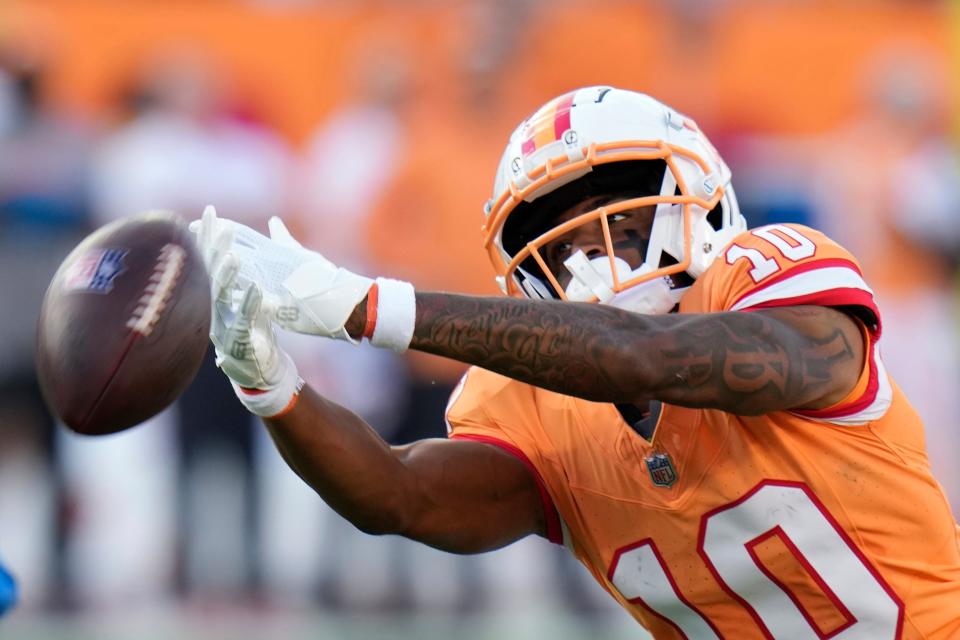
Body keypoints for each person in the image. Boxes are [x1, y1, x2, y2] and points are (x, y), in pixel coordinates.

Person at [193, 87, 960, 638]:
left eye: (623, 223)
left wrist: (368, 307)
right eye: (562, 245)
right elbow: (399, 496)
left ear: (697, 197)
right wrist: (269, 383)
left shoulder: (765, 279)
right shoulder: (531, 402)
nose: (596, 257)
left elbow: (643, 358)